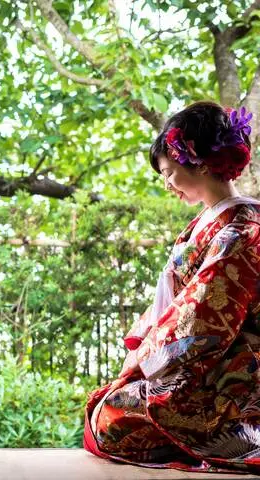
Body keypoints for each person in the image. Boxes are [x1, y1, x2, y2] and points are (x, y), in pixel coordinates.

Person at [84, 101, 260, 473]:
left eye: (169, 173)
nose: (167, 184)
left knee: (113, 420)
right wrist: (144, 350)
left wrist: (146, 357)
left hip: (231, 372)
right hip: (209, 360)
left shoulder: (240, 228)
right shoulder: (218, 219)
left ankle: (237, 434)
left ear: (199, 163)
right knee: (109, 409)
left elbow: (205, 313)